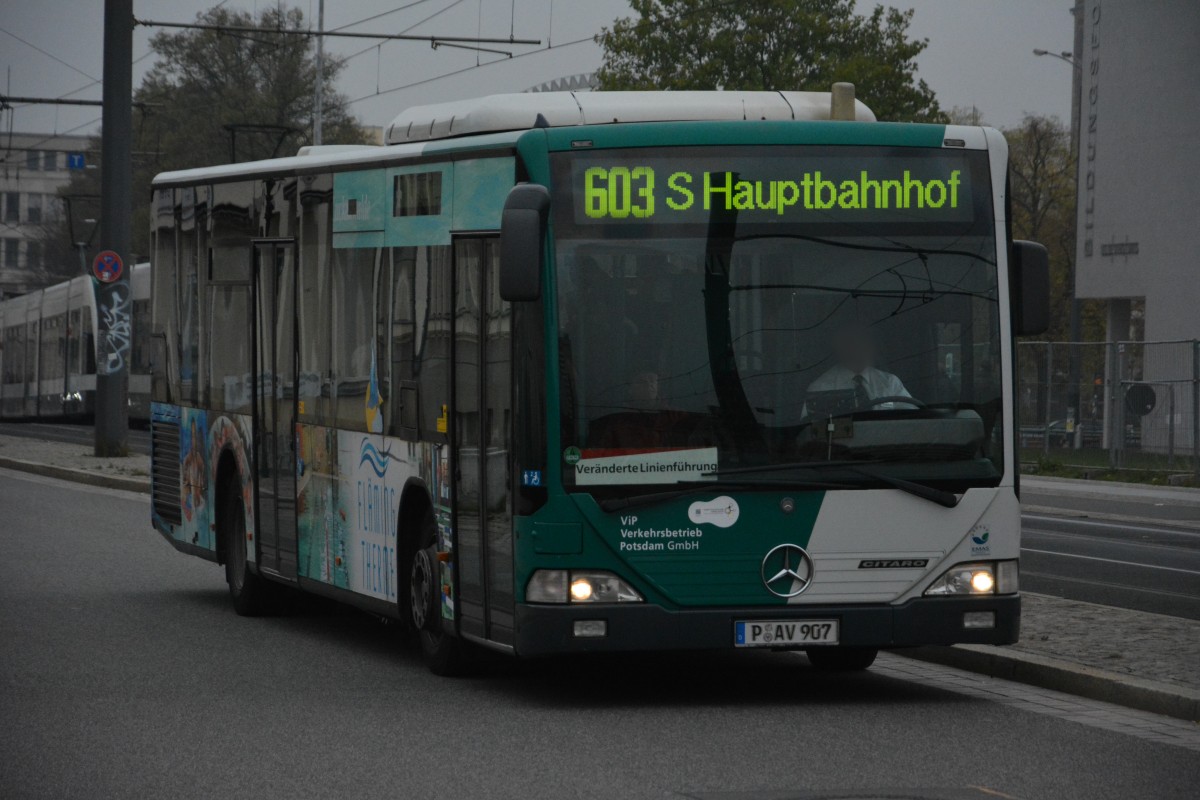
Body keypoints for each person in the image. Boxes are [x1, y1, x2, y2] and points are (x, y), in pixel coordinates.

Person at [806, 321, 911, 410]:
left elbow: (913, 421)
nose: (856, 347)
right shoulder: (820, 388)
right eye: (849, 342)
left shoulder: (890, 383)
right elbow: (810, 428)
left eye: (863, 340)